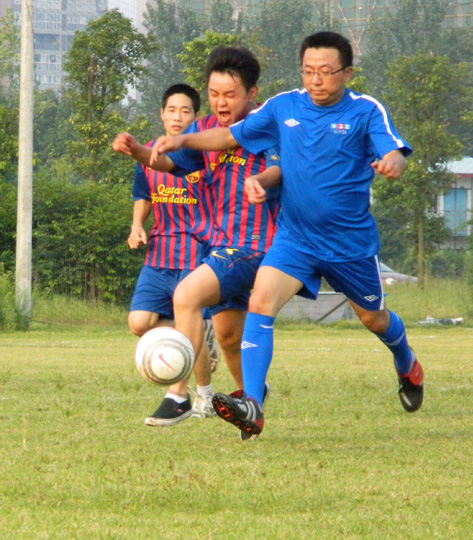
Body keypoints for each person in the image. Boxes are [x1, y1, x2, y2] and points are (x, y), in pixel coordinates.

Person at [149, 31, 424, 441]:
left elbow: (393, 151)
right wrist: (182, 139)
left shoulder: (366, 111)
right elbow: (230, 136)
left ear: (347, 73)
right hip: (295, 238)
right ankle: (252, 406)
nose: (316, 80)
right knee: (261, 301)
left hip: (348, 244)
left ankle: (407, 363)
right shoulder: (283, 106)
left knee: (373, 319)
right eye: (309, 71)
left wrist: (393, 163)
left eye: (326, 72)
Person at [113, 47, 281, 431]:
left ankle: (179, 395)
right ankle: (252, 404)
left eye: (230, 94)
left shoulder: (265, 124)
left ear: (252, 93)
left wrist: (262, 180)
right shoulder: (201, 127)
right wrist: (136, 150)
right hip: (218, 245)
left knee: (186, 296)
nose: (221, 102)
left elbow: (278, 167)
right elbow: (170, 163)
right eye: (214, 93)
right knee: (228, 338)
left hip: (253, 243)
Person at [125, 83, 219, 426]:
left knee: (186, 326)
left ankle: (195, 396)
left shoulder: (202, 154)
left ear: (196, 117)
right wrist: (137, 225)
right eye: (171, 110)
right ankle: (201, 336)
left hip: (196, 252)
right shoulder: (147, 154)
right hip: (160, 253)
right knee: (140, 322)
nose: (177, 116)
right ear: (162, 114)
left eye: (185, 111)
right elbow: (143, 195)